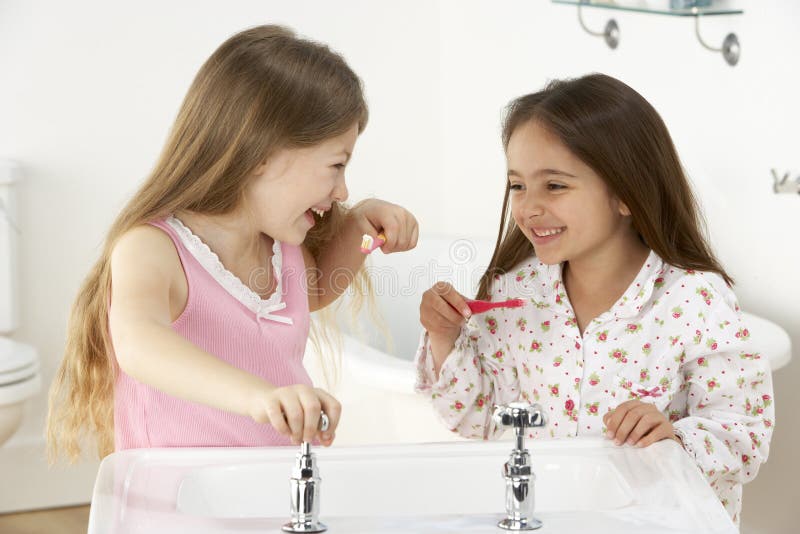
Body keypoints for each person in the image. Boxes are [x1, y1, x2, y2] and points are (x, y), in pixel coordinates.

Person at [47, 25, 418, 460]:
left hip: (265, 488)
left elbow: (315, 290)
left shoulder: (284, 249)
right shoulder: (153, 248)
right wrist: (258, 397)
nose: (341, 191)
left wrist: (361, 232)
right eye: (336, 165)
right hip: (174, 500)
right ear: (262, 153)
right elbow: (139, 342)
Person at [415, 73, 772, 524]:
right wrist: (444, 336)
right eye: (518, 186)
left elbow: (745, 432)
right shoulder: (515, 292)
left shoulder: (695, 300)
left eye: (555, 186)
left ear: (625, 193)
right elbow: (481, 420)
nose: (527, 208)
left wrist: (674, 440)